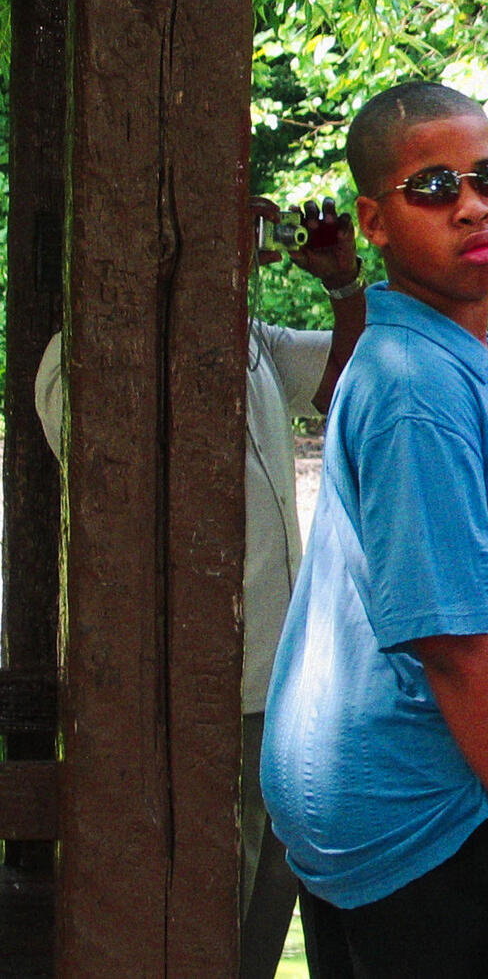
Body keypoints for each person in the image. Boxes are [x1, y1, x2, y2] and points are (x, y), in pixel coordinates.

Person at [262, 82, 488, 979]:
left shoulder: (452, 351)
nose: (472, 203)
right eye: (434, 187)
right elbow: (453, 638)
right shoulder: (415, 386)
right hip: (441, 814)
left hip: (420, 803)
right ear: (374, 221)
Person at [34, 195, 365, 979]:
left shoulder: (247, 343)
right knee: (193, 913)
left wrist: (345, 288)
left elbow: (343, 381)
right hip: (178, 699)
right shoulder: (79, 355)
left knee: (265, 896)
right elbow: (117, 477)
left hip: (274, 687)